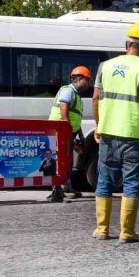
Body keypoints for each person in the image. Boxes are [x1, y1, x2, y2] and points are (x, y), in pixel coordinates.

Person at [92, 22, 139, 243]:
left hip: (108, 132)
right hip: (133, 134)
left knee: (104, 180)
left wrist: (98, 124)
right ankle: (127, 232)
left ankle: (102, 229)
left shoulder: (105, 66)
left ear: (127, 43)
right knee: (131, 182)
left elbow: (95, 98)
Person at [46, 66, 92, 202]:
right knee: (61, 160)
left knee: (67, 160)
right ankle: (59, 189)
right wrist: (66, 127)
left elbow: (75, 117)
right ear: (79, 79)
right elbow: (63, 107)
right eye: (88, 80)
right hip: (61, 132)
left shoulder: (76, 94)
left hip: (67, 132)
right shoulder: (68, 91)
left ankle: (66, 187)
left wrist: (80, 135)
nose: (89, 84)